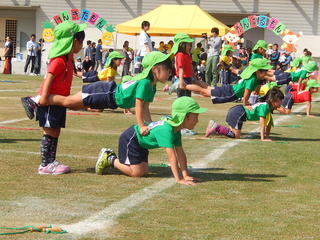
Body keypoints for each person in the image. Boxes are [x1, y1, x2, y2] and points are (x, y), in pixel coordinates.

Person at [22, 52, 173, 137]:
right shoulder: (145, 83)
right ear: (155, 69)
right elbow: (139, 106)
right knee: (68, 102)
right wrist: (141, 125)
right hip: (106, 92)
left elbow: (145, 107)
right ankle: (34, 100)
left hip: (108, 98)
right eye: (167, 70)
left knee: (72, 105)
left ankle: (38, 101)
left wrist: (150, 124)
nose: (170, 73)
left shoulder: (151, 86)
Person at [21, 21, 86, 174]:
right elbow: (49, 76)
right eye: (81, 42)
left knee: (55, 130)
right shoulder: (59, 60)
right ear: (73, 41)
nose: (81, 46)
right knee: (49, 130)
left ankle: (51, 161)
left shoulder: (68, 58)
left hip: (59, 99)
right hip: (50, 100)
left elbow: (74, 74)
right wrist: (43, 97)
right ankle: (45, 164)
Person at [95, 96, 207, 185]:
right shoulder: (167, 130)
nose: (197, 120)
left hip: (142, 144)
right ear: (185, 117)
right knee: (137, 173)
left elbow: (180, 153)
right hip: (131, 138)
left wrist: (186, 175)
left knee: (144, 171)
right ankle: (109, 158)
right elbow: (172, 156)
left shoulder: (176, 130)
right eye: (195, 116)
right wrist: (179, 179)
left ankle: (112, 159)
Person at [179, 58, 272, 106]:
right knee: (205, 91)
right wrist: (246, 103)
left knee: (208, 88)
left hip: (230, 89)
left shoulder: (253, 77)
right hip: (230, 93)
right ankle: (185, 86)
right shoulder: (252, 79)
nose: (265, 74)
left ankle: (194, 81)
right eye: (264, 71)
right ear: (257, 71)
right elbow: (246, 93)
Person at [206, 87, 284, 140]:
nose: (282, 103)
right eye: (281, 100)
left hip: (238, 112)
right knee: (236, 136)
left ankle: (215, 128)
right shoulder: (265, 106)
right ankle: (216, 127)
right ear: (274, 100)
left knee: (232, 134)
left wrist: (267, 137)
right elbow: (262, 123)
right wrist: (263, 138)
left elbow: (269, 124)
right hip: (238, 113)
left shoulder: (267, 108)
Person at [171, 33, 196, 97]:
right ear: (181, 45)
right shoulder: (180, 55)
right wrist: (181, 81)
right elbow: (180, 68)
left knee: (187, 97)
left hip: (188, 78)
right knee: (181, 98)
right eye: (188, 45)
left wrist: (194, 76)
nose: (190, 47)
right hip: (182, 79)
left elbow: (190, 66)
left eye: (190, 45)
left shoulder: (188, 55)